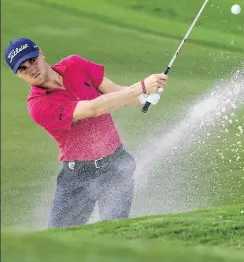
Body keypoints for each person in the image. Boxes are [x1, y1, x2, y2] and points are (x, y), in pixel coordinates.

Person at [4, 37, 168, 228]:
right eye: (22, 68)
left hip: (115, 165)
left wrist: (143, 96)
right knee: (60, 242)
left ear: (41, 53)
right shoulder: (38, 106)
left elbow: (117, 94)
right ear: (18, 75)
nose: (31, 68)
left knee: (114, 232)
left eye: (32, 60)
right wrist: (140, 88)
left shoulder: (75, 64)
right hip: (77, 177)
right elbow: (92, 109)